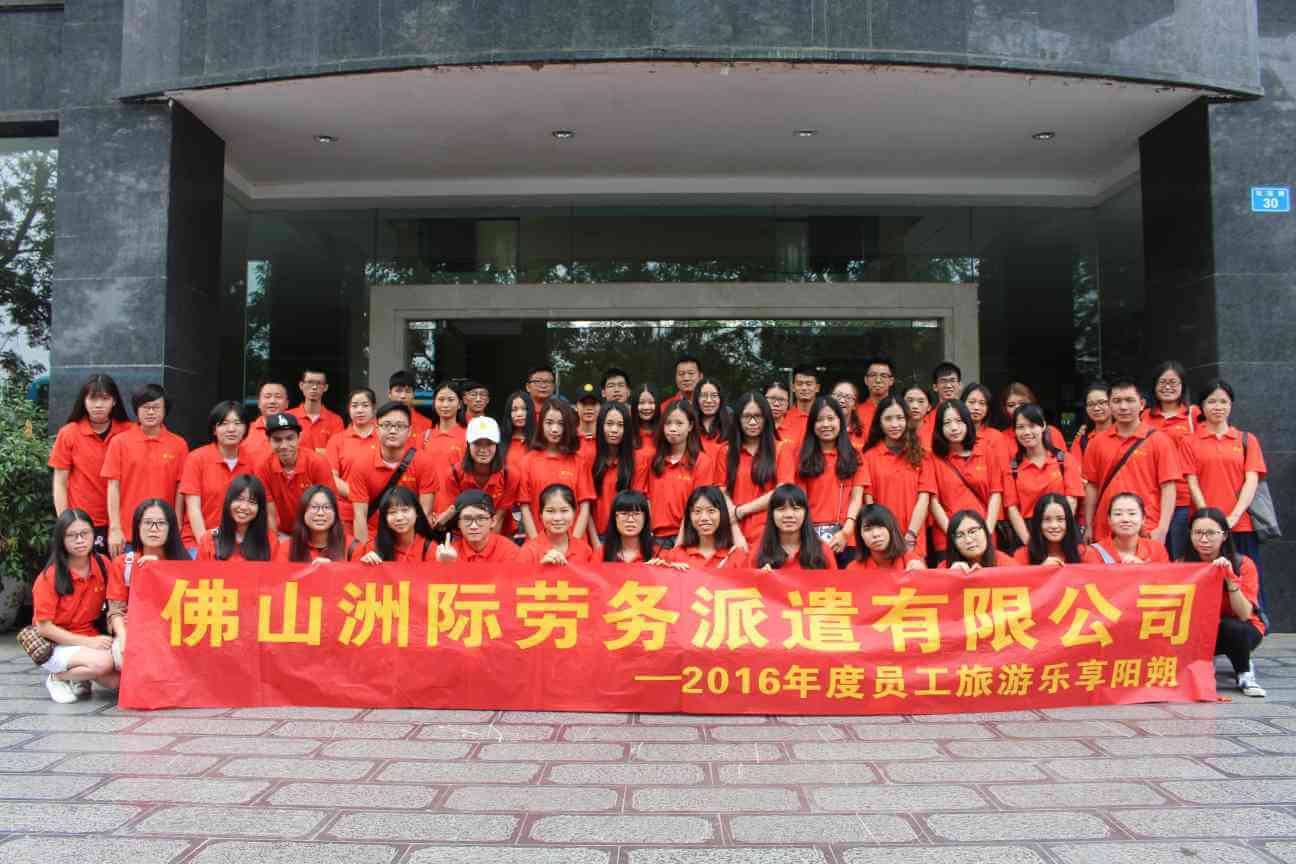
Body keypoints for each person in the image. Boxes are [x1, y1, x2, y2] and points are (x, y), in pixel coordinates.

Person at [1184, 379, 1268, 603]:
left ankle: (1254, 618)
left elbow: (1251, 480)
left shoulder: (1246, 440)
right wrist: (1210, 520)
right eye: (1212, 401)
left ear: (1231, 405)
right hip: (1203, 529)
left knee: (1245, 578)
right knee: (1202, 582)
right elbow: (1192, 482)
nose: (1218, 407)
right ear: (1201, 406)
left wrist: (1233, 517)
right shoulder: (1189, 442)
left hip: (1240, 525)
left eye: (1224, 402)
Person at [1082, 376, 1181, 543]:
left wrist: (1162, 529)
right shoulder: (1096, 443)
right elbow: (1092, 487)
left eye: (1129, 400)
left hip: (1146, 529)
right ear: (1109, 405)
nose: (1123, 407)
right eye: (1117, 401)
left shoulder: (1159, 440)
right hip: (1105, 530)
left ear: (1142, 404)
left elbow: (1168, 487)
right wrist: (1089, 525)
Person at [31, 509, 115, 704]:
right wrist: (88, 643)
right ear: (61, 540)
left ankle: (80, 678)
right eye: (71, 535)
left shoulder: (103, 564)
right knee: (103, 663)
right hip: (56, 644)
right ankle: (57, 677)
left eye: (85, 533)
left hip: (92, 637)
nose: (80, 540)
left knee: (116, 681)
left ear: (93, 535)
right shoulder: (49, 577)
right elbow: (44, 628)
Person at [1181, 507, 1266, 697]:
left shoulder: (1243, 564)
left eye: (1211, 533)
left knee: (1233, 627)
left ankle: (1244, 672)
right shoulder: (1181, 565)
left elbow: (1244, 614)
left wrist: (1230, 580)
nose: (1204, 539)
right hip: (1199, 629)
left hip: (1240, 628)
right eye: (1198, 533)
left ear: (1224, 535)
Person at [777, 396, 867, 566]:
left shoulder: (855, 455)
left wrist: (846, 532)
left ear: (840, 421)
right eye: (819, 420)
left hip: (847, 537)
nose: (825, 424)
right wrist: (809, 536)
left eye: (831, 418)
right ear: (812, 424)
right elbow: (798, 500)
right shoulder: (799, 456)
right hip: (809, 537)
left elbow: (857, 498)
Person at [101, 383, 189, 556]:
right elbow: (113, 486)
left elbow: (180, 489)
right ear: (136, 409)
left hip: (163, 534)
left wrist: (178, 524)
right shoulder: (119, 442)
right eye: (145, 407)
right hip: (127, 535)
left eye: (156, 407)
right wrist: (115, 528)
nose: (150, 412)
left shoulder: (178, 445)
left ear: (165, 410)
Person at [49, 373, 131, 554]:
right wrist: (65, 522)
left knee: (121, 571)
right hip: (83, 523)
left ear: (114, 401)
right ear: (84, 401)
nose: (98, 405)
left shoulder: (129, 432)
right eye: (93, 399)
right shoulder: (69, 433)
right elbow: (60, 482)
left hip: (122, 522)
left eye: (105, 398)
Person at [106, 499, 188, 670]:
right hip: (134, 634)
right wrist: (123, 637)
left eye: (161, 523)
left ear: (171, 528)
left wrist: (158, 570)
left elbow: (188, 609)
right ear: (137, 526)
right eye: (148, 522)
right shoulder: (123, 563)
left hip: (172, 635)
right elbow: (115, 611)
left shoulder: (183, 564)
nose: (153, 528)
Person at [348, 402, 438, 543]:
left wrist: (414, 550)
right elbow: (360, 516)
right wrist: (364, 551)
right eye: (386, 425)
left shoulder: (424, 462)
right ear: (376, 429)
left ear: (409, 431)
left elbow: (424, 514)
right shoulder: (361, 465)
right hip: (374, 539)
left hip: (411, 540)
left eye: (400, 426)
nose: (393, 431)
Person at [927, 399, 1002, 561]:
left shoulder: (986, 451)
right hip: (947, 537)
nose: (954, 427)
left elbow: (996, 493)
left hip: (983, 535)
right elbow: (933, 501)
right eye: (947, 423)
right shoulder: (932, 458)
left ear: (968, 422)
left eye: (959, 421)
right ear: (939, 428)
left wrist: (986, 531)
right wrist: (954, 535)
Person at [861, 395, 935, 558]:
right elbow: (869, 503)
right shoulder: (869, 457)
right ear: (879, 422)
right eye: (888, 419)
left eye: (900, 418)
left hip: (913, 538)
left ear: (908, 420)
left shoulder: (922, 456)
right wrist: (880, 534)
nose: (895, 424)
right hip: (881, 539)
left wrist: (911, 535)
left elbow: (924, 499)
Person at [179, 401, 255, 554]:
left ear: (246, 428)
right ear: (214, 429)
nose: (231, 429)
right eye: (224, 424)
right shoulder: (196, 458)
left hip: (238, 544)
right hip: (197, 541)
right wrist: (206, 546)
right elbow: (193, 508)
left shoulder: (252, 462)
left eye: (237, 423)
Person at [1003, 404, 1082, 547]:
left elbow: (1071, 500)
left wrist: (1058, 531)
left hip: (1062, 528)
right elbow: (1012, 509)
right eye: (1020, 427)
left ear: (1043, 426)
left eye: (1032, 426)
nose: (1027, 432)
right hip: (1028, 531)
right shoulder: (1012, 468)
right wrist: (1030, 543)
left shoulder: (1064, 460)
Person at [1145, 361, 1202, 558]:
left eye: (1173, 382)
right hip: (1151, 499)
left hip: (1183, 499)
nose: (1167, 387)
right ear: (1154, 385)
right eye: (1162, 382)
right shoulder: (1143, 416)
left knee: (1180, 559)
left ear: (1182, 386)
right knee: (1152, 558)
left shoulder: (1194, 415)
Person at [520, 397, 595, 540]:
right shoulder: (527, 461)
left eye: (561, 424)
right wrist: (537, 545)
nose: (554, 429)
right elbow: (525, 507)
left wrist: (573, 544)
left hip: (575, 543)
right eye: (549, 423)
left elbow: (585, 507)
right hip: (538, 544)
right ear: (541, 424)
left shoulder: (579, 462)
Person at [645, 399, 716, 548]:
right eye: (668, 423)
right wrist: (649, 535)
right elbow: (646, 499)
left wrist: (680, 541)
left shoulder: (701, 461)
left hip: (688, 537)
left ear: (690, 426)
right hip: (655, 539)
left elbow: (699, 505)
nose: (672, 428)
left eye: (679, 423)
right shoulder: (653, 460)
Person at [435, 416, 521, 536]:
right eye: (477, 443)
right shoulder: (453, 475)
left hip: (499, 535)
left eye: (489, 443)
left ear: (497, 445)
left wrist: (488, 546)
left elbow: (500, 516)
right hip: (464, 535)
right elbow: (453, 515)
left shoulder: (510, 475)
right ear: (468, 444)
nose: (483, 449)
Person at [256, 412, 335, 538]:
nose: (284, 446)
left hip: (316, 532)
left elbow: (328, 507)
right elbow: (269, 513)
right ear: (268, 441)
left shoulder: (317, 463)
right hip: (283, 532)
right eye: (277, 440)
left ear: (299, 438)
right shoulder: (263, 467)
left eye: (289, 438)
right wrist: (274, 543)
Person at [723, 391, 783, 549]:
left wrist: (742, 510)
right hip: (733, 532)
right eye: (746, 416)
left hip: (770, 533)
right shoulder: (725, 452)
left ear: (766, 418)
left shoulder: (781, 450)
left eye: (758, 416)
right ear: (738, 419)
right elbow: (722, 493)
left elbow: (782, 492)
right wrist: (736, 532)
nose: (752, 422)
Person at [590, 402, 650, 542]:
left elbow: (637, 504)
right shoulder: (589, 458)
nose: (614, 430)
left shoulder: (638, 460)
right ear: (600, 426)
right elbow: (585, 507)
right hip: (597, 536)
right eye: (609, 424)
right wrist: (595, 542)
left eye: (620, 425)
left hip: (628, 536)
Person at [325, 387, 380, 539]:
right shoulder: (337, 440)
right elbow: (331, 478)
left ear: (374, 408)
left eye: (365, 405)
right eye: (354, 406)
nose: (359, 410)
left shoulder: (384, 438)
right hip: (346, 514)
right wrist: (359, 495)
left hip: (379, 513)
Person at [659, 486, 748, 569]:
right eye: (697, 511)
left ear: (722, 514)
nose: (704, 518)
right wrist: (659, 569)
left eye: (711, 511)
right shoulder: (675, 555)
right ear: (689, 517)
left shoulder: (737, 557)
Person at [753, 484, 837, 570]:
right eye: (781, 509)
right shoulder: (757, 551)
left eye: (796, 508)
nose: (789, 515)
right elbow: (747, 578)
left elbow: (834, 579)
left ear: (806, 513)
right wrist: (759, 576)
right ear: (772, 514)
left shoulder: (823, 551)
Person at [196, 474, 277, 562]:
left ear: (260, 508)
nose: (244, 507)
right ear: (228, 502)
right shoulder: (209, 539)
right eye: (239, 499)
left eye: (252, 502)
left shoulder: (270, 540)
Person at [518, 483, 596, 564]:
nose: (557, 518)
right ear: (540, 515)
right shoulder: (528, 551)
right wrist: (541, 568)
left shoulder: (585, 550)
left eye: (564, 510)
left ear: (574, 513)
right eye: (550, 511)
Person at [435, 491, 521, 563]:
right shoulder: (447, 553)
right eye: (467, 519)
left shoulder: (510, 551)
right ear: (458, 523)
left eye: (481, 518)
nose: (474, 526)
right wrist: (446, 566)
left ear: (493, 521)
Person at [358, 486, 438, 563]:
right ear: (384, 518)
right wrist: (366, 564)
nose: (399, 517)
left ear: (417, 512)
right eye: (392, 512)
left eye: (405, 510)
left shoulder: (430, 549)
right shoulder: (373, 547)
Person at [1087, 492, 1170, 564]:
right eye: (1118, 514)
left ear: (1143, 519)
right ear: (1109, 520)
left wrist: (1143, 569)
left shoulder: (1157, 549)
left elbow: (1166, 577)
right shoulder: (1094, 552)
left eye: (1132, 513)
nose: (1125, 519)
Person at [1014, 493, 1089, 565]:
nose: (1054, 526)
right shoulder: (1022, 555)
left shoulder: (1084, 553)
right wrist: (1042, 570)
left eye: (1060, 519)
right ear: (1038, 523)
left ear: (1068, 522)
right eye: (1047, 519)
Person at [278, 485, 348, 563]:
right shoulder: (288, 548)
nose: (320, 513)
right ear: (303, 512)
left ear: (335, 513)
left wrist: (333, 568)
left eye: (326, 507)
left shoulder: (351, 547)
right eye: (314, 507)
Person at [849, 503, 923, 571]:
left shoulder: (911, 561)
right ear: (860, 535)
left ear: (891, 528)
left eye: (881, 526)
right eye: (868, 529)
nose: (875, 534)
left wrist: (921, 574)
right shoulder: (853, 569)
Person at [288, 367, 344, 455]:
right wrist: (320, 452)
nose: (314, 387)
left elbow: (335, 453)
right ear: (301, 385)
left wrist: (301, 451)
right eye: (310, 382)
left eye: (319, 383)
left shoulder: (336, 420)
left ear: (325, 387)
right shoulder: (288, 417)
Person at [997, 381, 1065, 451]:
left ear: (1032, 403)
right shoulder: (1001, 438)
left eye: (1022, 403)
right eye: (1011, 405)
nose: (1017, 408)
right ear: (1005, 409)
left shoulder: (1052, 433)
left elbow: (1063, 457)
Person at [942, 510, 1016, 571]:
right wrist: (951, 576)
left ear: (985, 531)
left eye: (973, 531)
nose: (968, 540)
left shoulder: (1007, 565)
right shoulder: (944, 568)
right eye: (959, 536)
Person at [600, 490, 658, 564]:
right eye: (624, 514)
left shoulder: (658, 554)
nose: (630, 520)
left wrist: (659, 569)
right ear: (615, 518)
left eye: (636, 514)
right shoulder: (602, 553)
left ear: (645, 518)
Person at [242, 379, 290, 465]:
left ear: (287, 403)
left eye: (278, 397)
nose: (272, 401)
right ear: (259, 403)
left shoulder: (298, 432)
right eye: (267, 397)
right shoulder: (245, 431)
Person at [424, 380, 468, 468]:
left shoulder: (468, 436)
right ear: (434, 403)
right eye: (441, 399)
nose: (445, 405)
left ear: (459, 404)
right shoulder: (424, 437)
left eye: (451, 400)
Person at [1069, 381, 1112, 468]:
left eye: (1102, 402)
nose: (1096, 408)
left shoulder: (1125, 434)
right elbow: (1075, 470)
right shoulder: (1081, 440)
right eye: (1090, 404)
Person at [388, 369, 433, 443]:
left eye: (408, 391)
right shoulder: (379, 422)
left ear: (414, 394)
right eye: (398, 391)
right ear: (389, 394)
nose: (403, 396)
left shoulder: (427, 424)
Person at [783, 365, 821, 445]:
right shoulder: (784, 418)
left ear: (817, 388)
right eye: (799, 384)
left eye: (809, 384)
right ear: (793, 387)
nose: (804, 388)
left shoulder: (825, 419)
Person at [695, 378, 732, 456]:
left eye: (714, 395)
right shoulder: (689, 427)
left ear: (720, 399)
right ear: (697, 399)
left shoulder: (731, 426)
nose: (709, 400)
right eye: (704, 395)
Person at [858, 356, 896, 432]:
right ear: (866, 380)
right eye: (873, 375)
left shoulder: (899, 411)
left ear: (891, 381)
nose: (878, 380)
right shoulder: (856, 412)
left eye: (883, 376)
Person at [501, 389, 536, 467]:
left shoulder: (538, 440)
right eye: (514, 409)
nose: (519, 414)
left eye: (524, 409)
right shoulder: (501, 441)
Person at [830, 379, 868, 450]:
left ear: (855, 405)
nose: (842, 400)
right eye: (838, 395)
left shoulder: (863, 434)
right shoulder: (822, 428)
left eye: (848, 397)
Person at [575, 388, 601, 462]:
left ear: (600, 407)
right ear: (576, 406)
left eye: (593, 404)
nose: (589, 408)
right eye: (584, 404)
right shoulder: (568, 437)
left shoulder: (606, 438)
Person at [633, 383, 662, 448]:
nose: (646, 407)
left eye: (651, 402)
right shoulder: (627, 433)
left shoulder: (665, 432)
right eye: (641, 403)